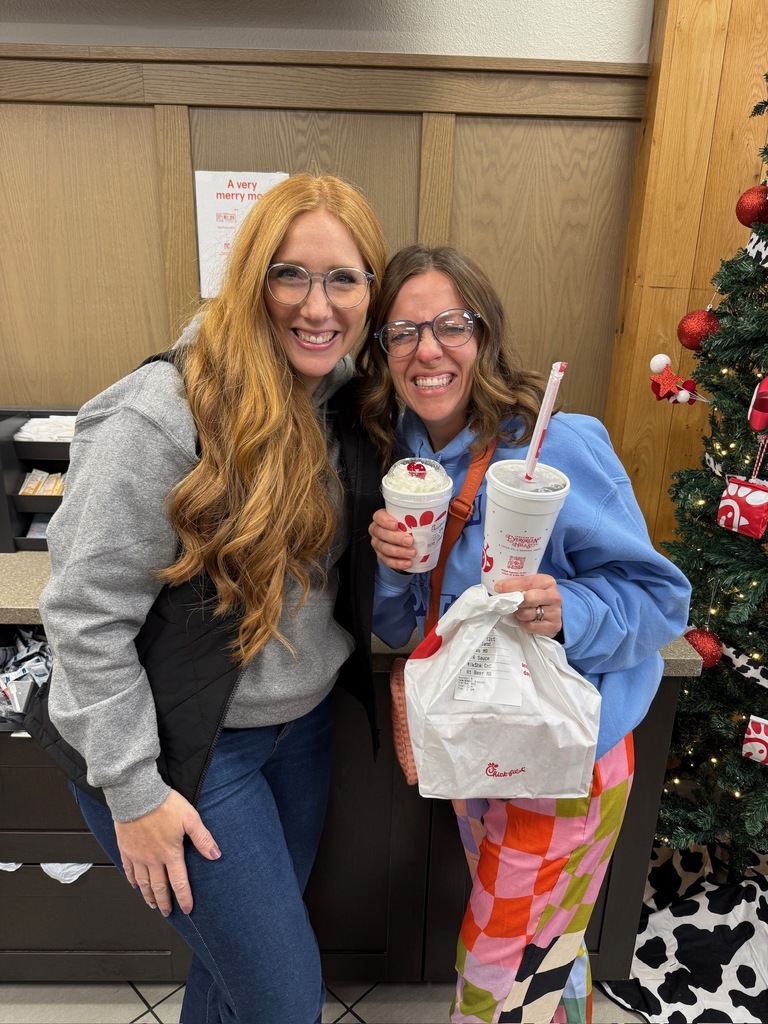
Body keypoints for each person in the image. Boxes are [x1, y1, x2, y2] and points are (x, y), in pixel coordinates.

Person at [31, 173, 388, 1024]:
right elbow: (82, 618)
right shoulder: (165, 412)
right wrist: (136, 791)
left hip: (297, 733)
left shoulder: (335, 396)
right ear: (248, 278)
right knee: (283, 999)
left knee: (233, 981)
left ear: (371, 289)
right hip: (185, 752)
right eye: (288, 274)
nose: (317, 303)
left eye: (344, 277)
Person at [357, 244, 692, 1024]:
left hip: (564, 757)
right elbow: (406, 627)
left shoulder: (558, 444)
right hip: (480, 752)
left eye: (449, 325)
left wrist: (566, 608)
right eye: (402, 332)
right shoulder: (403, 456)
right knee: (547, 948)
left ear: (485, 332)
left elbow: (659, 600)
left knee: (498, 964)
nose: (427, 349)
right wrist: (395, 566)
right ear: (383, 351)